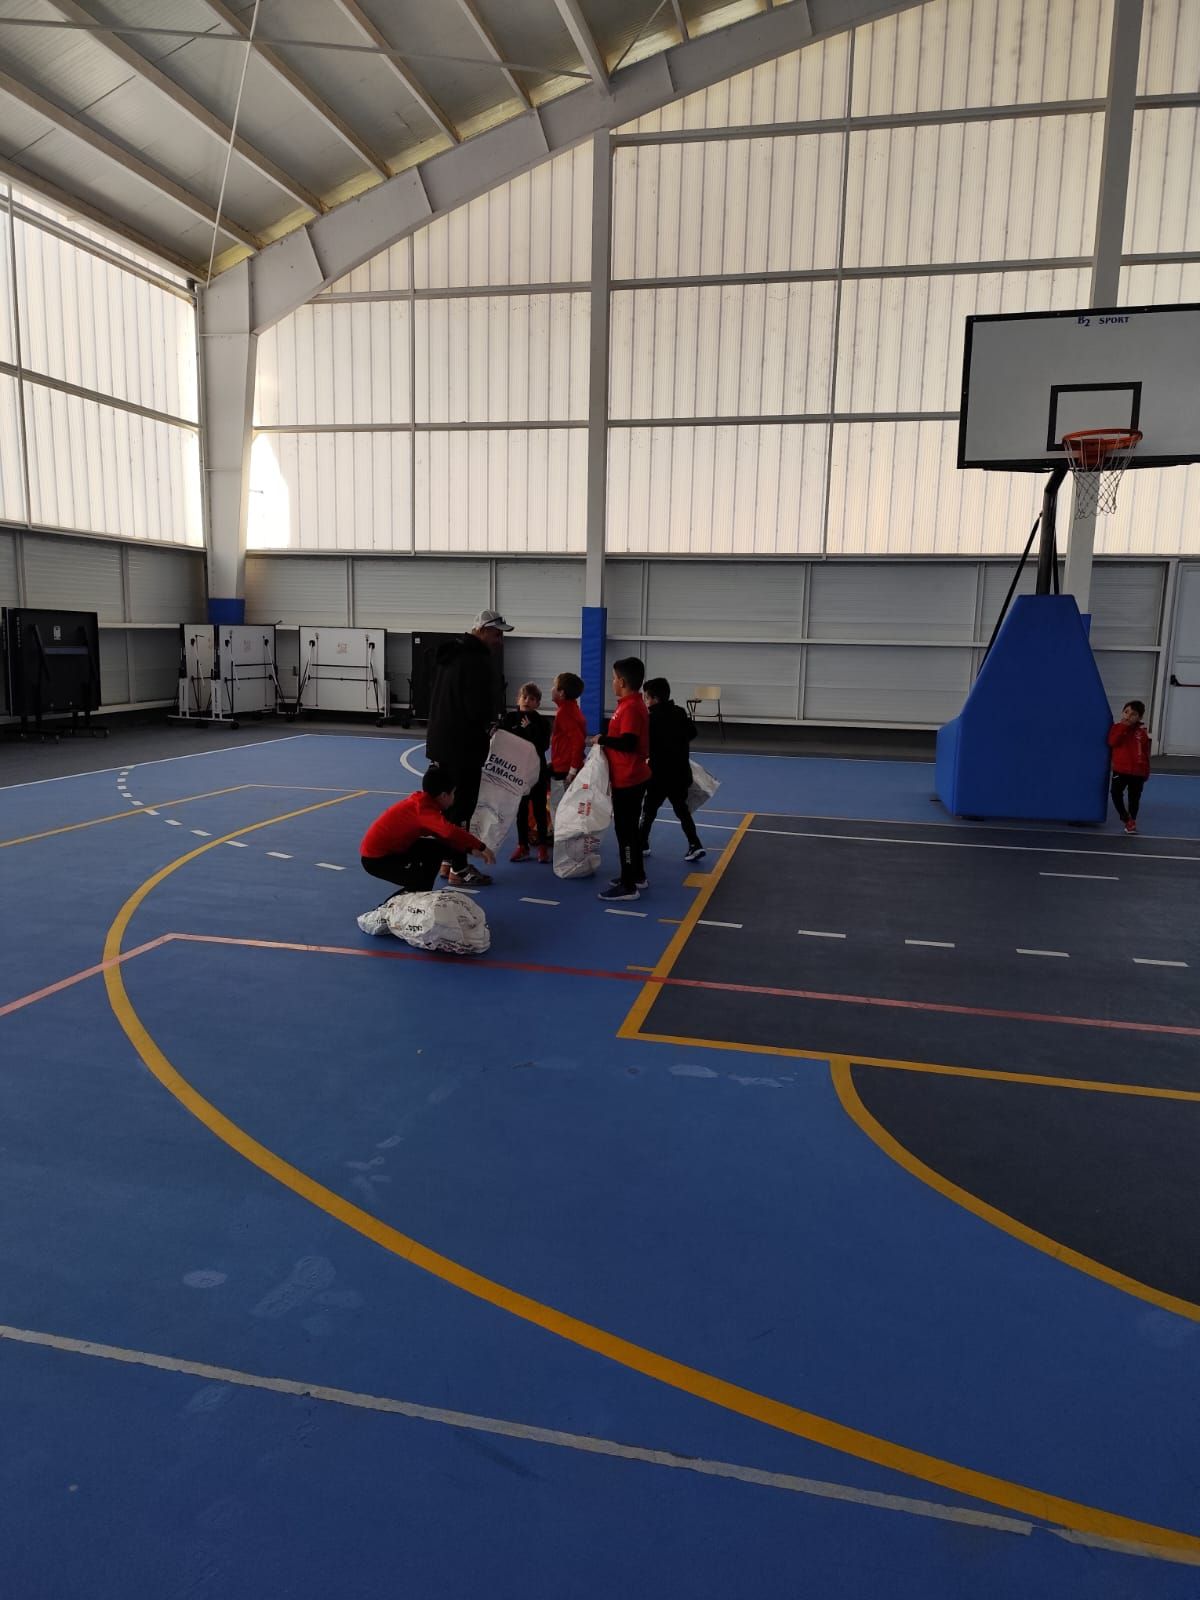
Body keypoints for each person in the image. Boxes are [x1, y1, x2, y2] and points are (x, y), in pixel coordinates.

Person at [425, 608, 512, 886]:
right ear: (483, 631)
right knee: (462, 807)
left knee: (448, 807)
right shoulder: (475, 660)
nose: (500, 640)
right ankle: (460, 868)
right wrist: (491, 724)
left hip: (442, 740)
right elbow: (476, 707)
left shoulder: (451, 655)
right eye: (497, 634)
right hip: (463, 745)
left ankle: (447, 860)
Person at [361, 767, 495, 896]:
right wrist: (481, 846)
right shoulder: (423, 810)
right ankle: (384, 911)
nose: (454, 798)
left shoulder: (425, 803)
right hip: (377, 859)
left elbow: (443, 836)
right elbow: (450, 832)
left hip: (394, 849)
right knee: (417, 882)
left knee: (438, 849)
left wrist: (469, 849)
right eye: (453, 793)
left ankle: (423, 892)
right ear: (443, 795)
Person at [595, 656, 650, 902]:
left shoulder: (630, 708)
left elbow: (629, 742)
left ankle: (629, 886)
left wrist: (602, 740)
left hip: (628, 779)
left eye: (615, 678)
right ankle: (636, 874)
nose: (612, 682)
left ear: (623, 681)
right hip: (628, 776)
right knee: (629, 831)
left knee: (625, 832)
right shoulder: (628, 703)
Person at [639, 677, 706, 864]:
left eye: (646, 698)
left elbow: (644, 746)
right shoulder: (679, 712)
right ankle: (695, 844)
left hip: (658, 775)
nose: (645, 701)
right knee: (682, 810)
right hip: (680, 773)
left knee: (649, 809)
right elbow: (692, 732)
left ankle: (642, 842)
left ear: (654, 699)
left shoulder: (650, 719)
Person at [501, 682, 551, 863]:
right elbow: (501, 741)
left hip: (536, 772)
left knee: (538, 809)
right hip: (516, 773)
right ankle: (522, 846)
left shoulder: (542, 722)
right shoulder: (509, 719)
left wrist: (530, 728)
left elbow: (544, 745)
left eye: (532, 699)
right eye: (524, 697)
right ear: (518, 699)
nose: (527, 701)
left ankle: (543, 846)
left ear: (537, 703)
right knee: (520, 810)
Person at [1108, 699, 1151, 834]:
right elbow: (1112, 742)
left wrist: (1146, 772)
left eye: (1133, 714)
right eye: (1126, 712)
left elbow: (1145, 753)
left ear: (1139, 717)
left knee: (1134, 798)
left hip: (1137, 772)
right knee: (1115, 793)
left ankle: (1132, 821)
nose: (1128, 716)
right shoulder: (1116, 728)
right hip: (1120, 770)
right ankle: (1125, 817)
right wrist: (1124, 727)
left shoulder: (1142, 733)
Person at [549, 671, 587, 804]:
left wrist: (572, 771)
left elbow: (578, 741)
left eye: (554, 686)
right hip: (564, 765)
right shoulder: (572, 708)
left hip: (563, 769)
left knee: (558, 808)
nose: (551, 689)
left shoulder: (565, 712)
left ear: (561, 693)